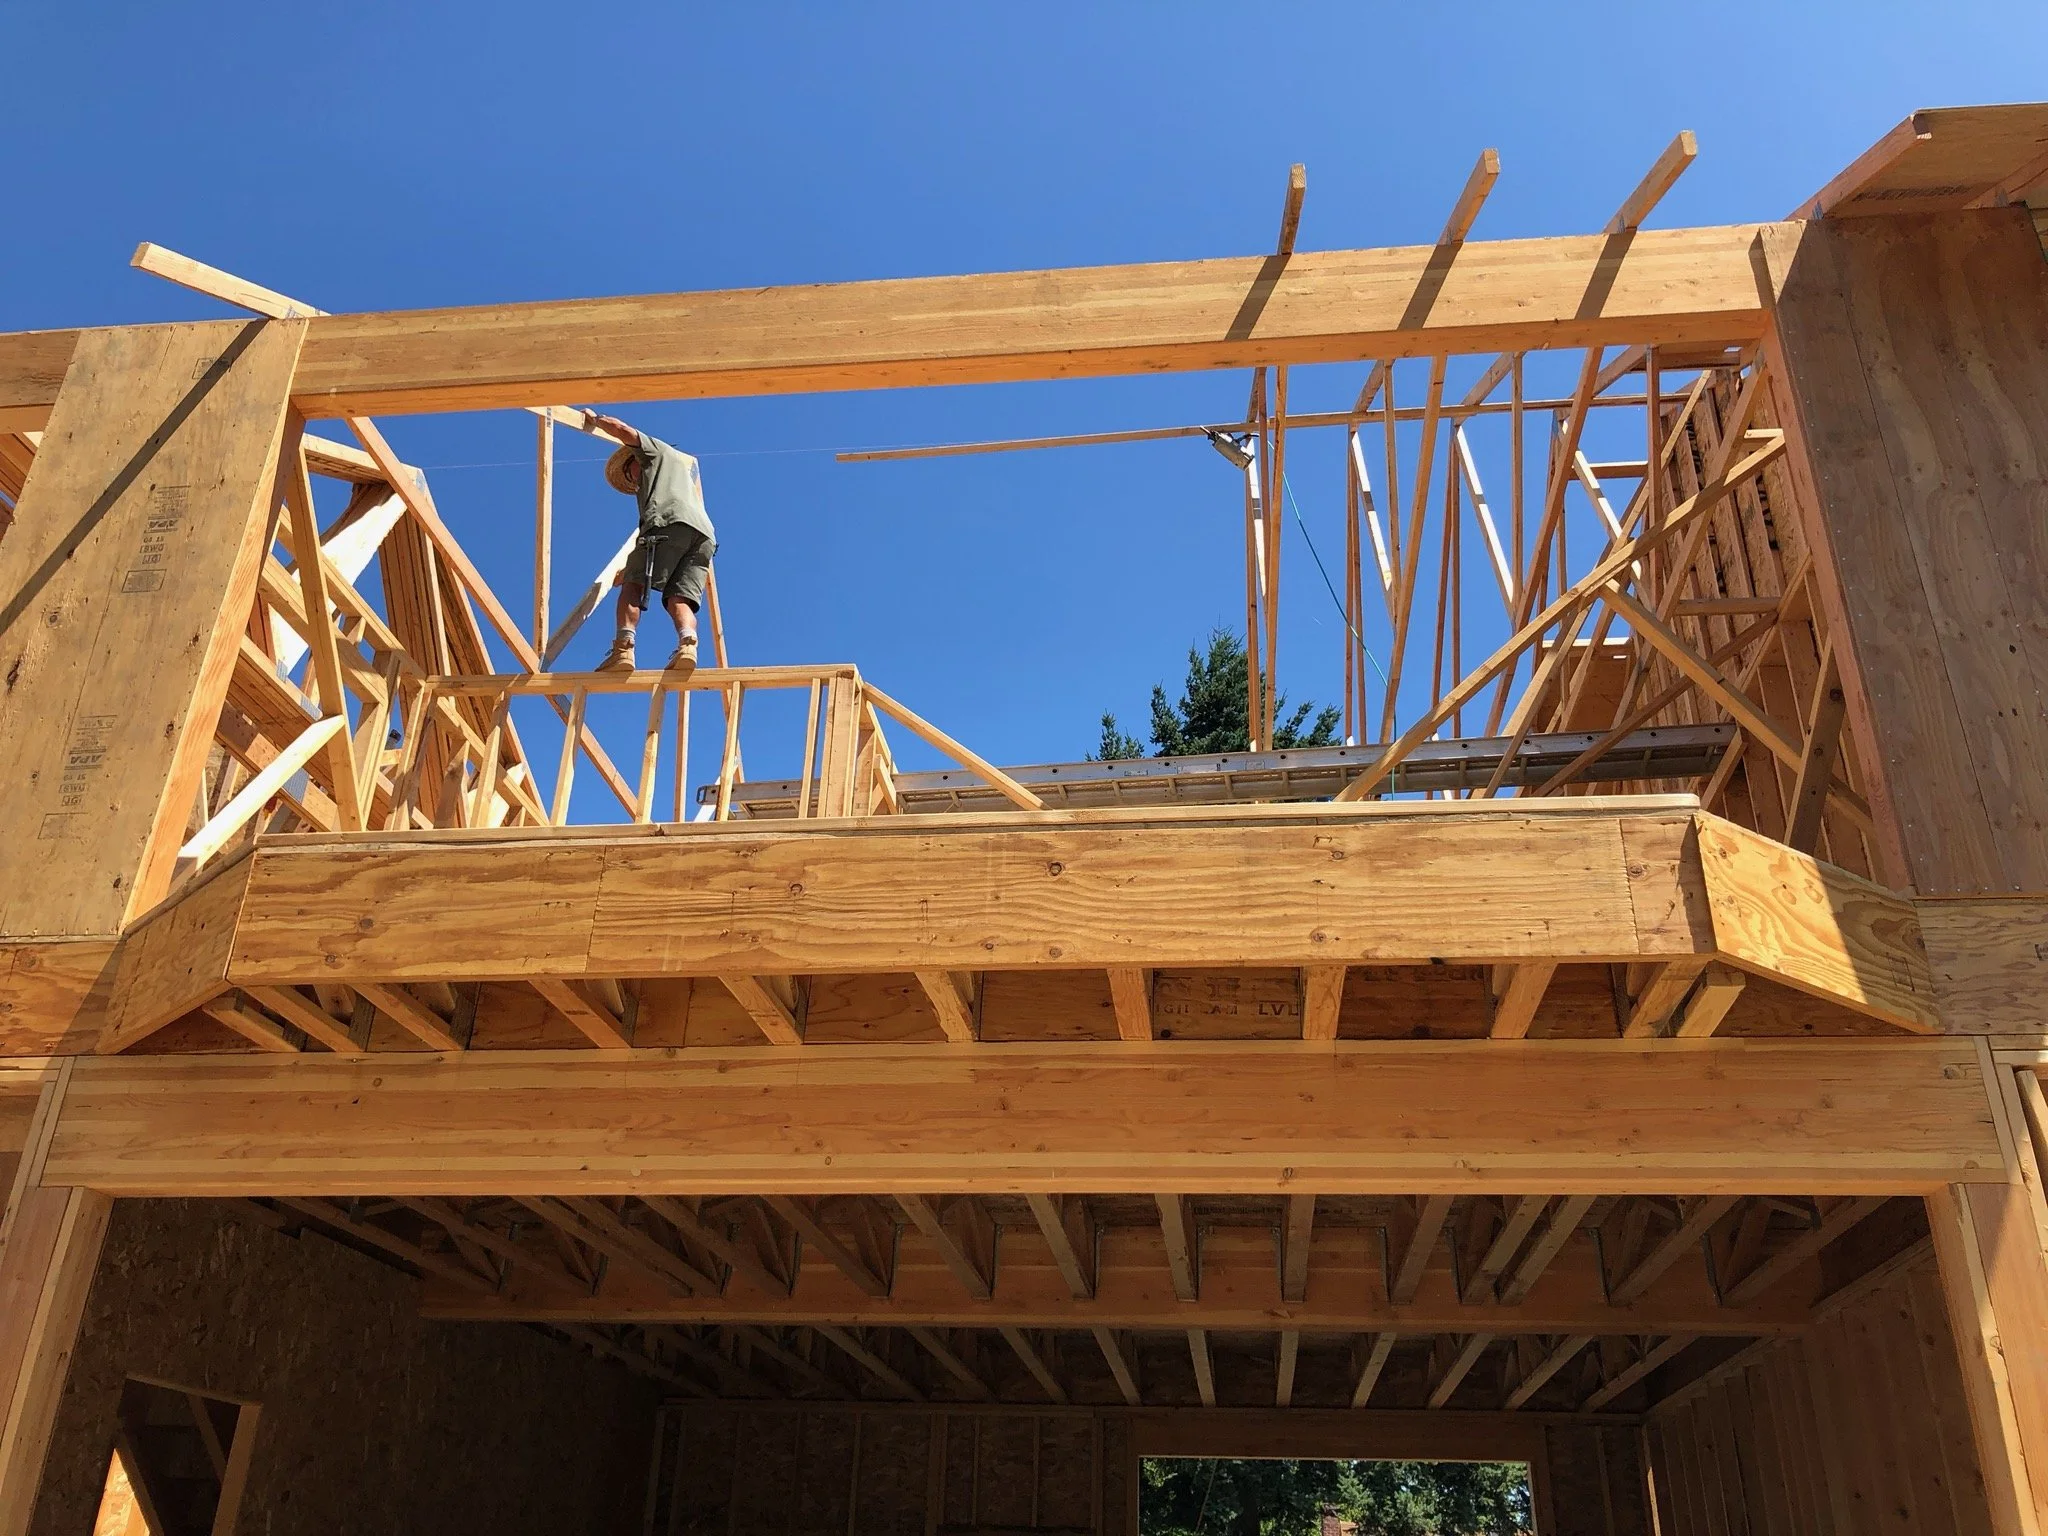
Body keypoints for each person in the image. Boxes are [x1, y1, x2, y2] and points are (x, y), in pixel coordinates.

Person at [587, 411, 717, 675]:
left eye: (629, 472)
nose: (633, 480)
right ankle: (688, 645)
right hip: (702, 537)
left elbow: (622, 429)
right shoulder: (678, 475)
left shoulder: (653, 452)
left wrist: (596, 420)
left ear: (633, 460)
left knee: (632, 588)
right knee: (677, 598)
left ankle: (623, 650)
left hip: (668, 523)